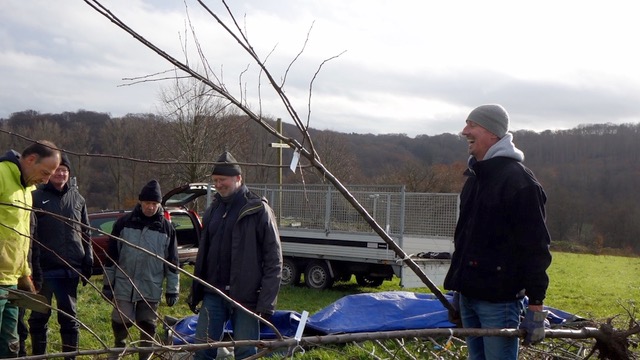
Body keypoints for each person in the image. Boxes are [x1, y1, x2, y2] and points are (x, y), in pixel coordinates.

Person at [443, 104, 552, 360]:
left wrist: (536, 306)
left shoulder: (519, 182)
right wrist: (459, 289)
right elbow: (466, 240)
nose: (464, 131)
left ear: (492, 132)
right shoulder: (474, 180)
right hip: (469, 297)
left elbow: (536, 246)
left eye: (472, 125)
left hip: (498, 300)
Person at [189, 151, 283, 360]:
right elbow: (204, 253)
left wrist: (266, 303)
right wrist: (197, 291)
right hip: (213, 293)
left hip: (246, 298)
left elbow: (274, 260)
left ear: (238, 178)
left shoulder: (258, 209)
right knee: (202, 350)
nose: (218, 185)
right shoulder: (213, 210)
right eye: (214, 181)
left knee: (245, 352)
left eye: (222, 180)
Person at [102, 180, 179, 360]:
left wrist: (172, 289)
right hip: (124, 283)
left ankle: (145, 355)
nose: (150, 207)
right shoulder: (124, 223)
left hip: (151, 285)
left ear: (159, 204)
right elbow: (111, 256)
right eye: (147, 203)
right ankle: (118, 346)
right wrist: (108, 284)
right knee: (121, 320)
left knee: (148, 324)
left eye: (154, 204)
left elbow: (173, 262)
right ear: (140, 202)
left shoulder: (167, 228)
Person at [0, 140, 60, 358]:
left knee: (10, 345)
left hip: (12, 282)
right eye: (45, 172)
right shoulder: (1, 175)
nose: (46, 180)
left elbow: (21, 237)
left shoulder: (27, 191)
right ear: (31, 159)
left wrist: (25, 273)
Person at [29, 153, 92, 359]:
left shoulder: (78, 199)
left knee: (69, 319)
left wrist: (88, 258)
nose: (61, 173)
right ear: (50, 172)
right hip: (44, 270)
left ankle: (70, 356)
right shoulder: (36, 197)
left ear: (69, 174)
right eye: (57, 170)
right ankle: (40, 355)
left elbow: (86, 231)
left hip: (69, 270)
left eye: (65, 170)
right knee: (39, 317)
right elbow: (29, 233)